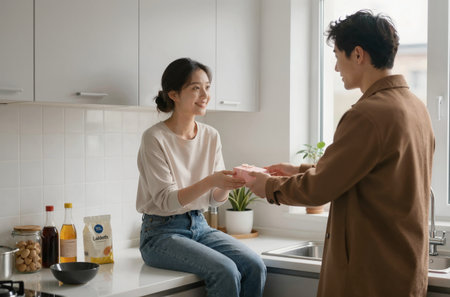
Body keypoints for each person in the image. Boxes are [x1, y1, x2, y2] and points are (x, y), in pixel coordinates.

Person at [247, 10, 434, 297]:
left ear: (358, 54)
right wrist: (298, 170)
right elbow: (368, 173)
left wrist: (266, 186)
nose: (336, 68)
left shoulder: (367, 114)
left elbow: (318, 190)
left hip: (369, 274)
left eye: (337, 56)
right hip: (403, 270)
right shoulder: (415, 108)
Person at [136, 57, 267, 297]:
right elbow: (167, 201)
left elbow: (214, 200)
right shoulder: (154, 138)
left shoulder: (211, 135)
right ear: (174, 94)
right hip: (160, 234)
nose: (205, 95)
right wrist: (211, 181)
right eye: (196, 88)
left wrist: (229, 182)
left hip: (200, 226)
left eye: (207, 87)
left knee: (255, 265)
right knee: (225, 271)